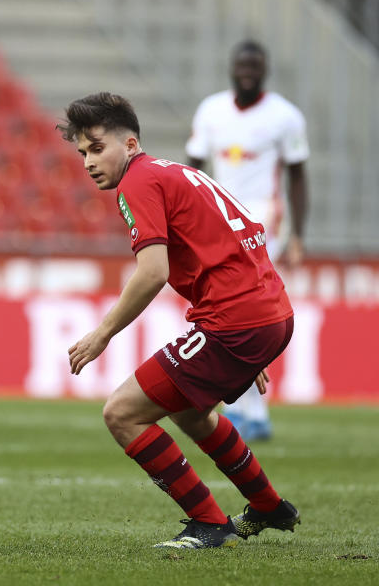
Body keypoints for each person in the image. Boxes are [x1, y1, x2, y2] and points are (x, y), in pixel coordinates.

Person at [64, 92, 300, 549]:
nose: (89, 162)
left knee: (122, 413)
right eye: (82, 153)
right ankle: (269, 506)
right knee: (192, 413)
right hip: (266, 311)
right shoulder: (176, 172)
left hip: (238, 319)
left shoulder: (138, 182)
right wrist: (259, 333)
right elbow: (242, 238)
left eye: (97, 148)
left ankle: (210, 523)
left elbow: (153, 272)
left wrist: (101, 335)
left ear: (129, 144)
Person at [186, 40, 310, 441]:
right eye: (242, 63)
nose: (248, 70)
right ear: (232, 67)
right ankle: (251, 413)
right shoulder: (211, 111)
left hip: (263, 224)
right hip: (218, 224)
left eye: (255, 64)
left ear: (266, 69)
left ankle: (244, 410)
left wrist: (298, 235)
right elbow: (194, 168)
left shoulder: (285, 117)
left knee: (247, 313)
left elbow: (297, 175)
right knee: (234, 315)